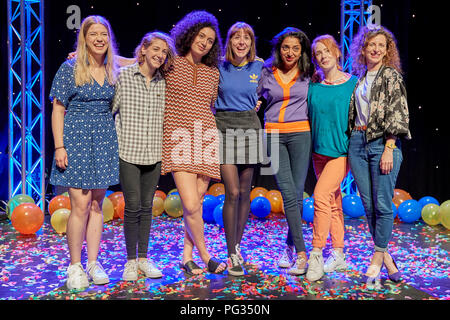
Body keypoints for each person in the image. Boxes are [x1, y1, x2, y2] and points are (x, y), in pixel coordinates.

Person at [50, 15, 120, 290]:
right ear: (84, 38)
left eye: (104, 34)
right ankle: (75, 266)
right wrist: (59, 146)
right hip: (76, 138)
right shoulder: (70, 68)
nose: (99, 38)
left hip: (103, 138)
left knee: (96, 205)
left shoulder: (114, 69)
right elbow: (57, 109)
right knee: (80, 205)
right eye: (94, 34)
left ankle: (93, 262)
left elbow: (137, 60)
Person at [161, 11, 227, 275]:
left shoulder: (213, 71)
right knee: (189, 204)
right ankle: (206, 254)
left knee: (197, 205)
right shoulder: (170, 61)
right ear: (190, 34)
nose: (205, 43)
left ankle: (186, 257)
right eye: (201, 36)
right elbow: (137, 60)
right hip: (177, 139)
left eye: (210, 40)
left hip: (206, 137)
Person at [347, 25, 410, 286]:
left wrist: (389, 147)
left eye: (381, 46)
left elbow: (399, 112)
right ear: (363, 48)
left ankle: (376, 257)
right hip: (357, 144)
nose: (375, 49)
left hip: (382, 144)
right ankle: (387, 259)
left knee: (383, 205)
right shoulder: (358, 77)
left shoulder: (391, 76)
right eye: (371, 44)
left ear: (387, 51)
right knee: (369, 206)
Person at [111, 32, 175, 281]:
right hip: (128, 151)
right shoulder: (124, 77)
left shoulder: (164, 82)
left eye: (164, 52)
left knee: (147, 207)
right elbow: (111, 110)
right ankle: (130, 261)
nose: (160, 55)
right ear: (144, 49)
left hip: (153, 153)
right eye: (156, 49)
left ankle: (143, 258)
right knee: (133, 206)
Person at [257, 27, 314, 275]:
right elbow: (252, 97)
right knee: (289, 192)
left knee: (296, 195)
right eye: (286, 47)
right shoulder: (266, 72)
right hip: (273, 135)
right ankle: (302, 254)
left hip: (301, 134)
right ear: (279, 49)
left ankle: (290, 246)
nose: (290, 52)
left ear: (301, 51)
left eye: (295, 48)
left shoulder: (310, 74)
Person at [305, 35, 358, 282]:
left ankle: (316, 253)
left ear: (337, 53)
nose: (323, 56)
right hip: (318, 153)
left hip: (341, 153)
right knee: (334, 202)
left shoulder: (353, 84)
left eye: (327, 51)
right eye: (318, 53)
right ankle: (338, 253)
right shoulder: (313, 86)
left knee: (321, 196)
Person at [214, 22, 264, 276]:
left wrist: (261, 99)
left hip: (250, 127)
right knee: (232, 191)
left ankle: (236, 247)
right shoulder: (218, 65)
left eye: (246, 37)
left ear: (251, 42)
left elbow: (271, 89)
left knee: (245, 191)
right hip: (223, 126)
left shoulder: (260, 66)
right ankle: (231, 249)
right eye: (236, 37)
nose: (241, 41)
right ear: (230, 41)